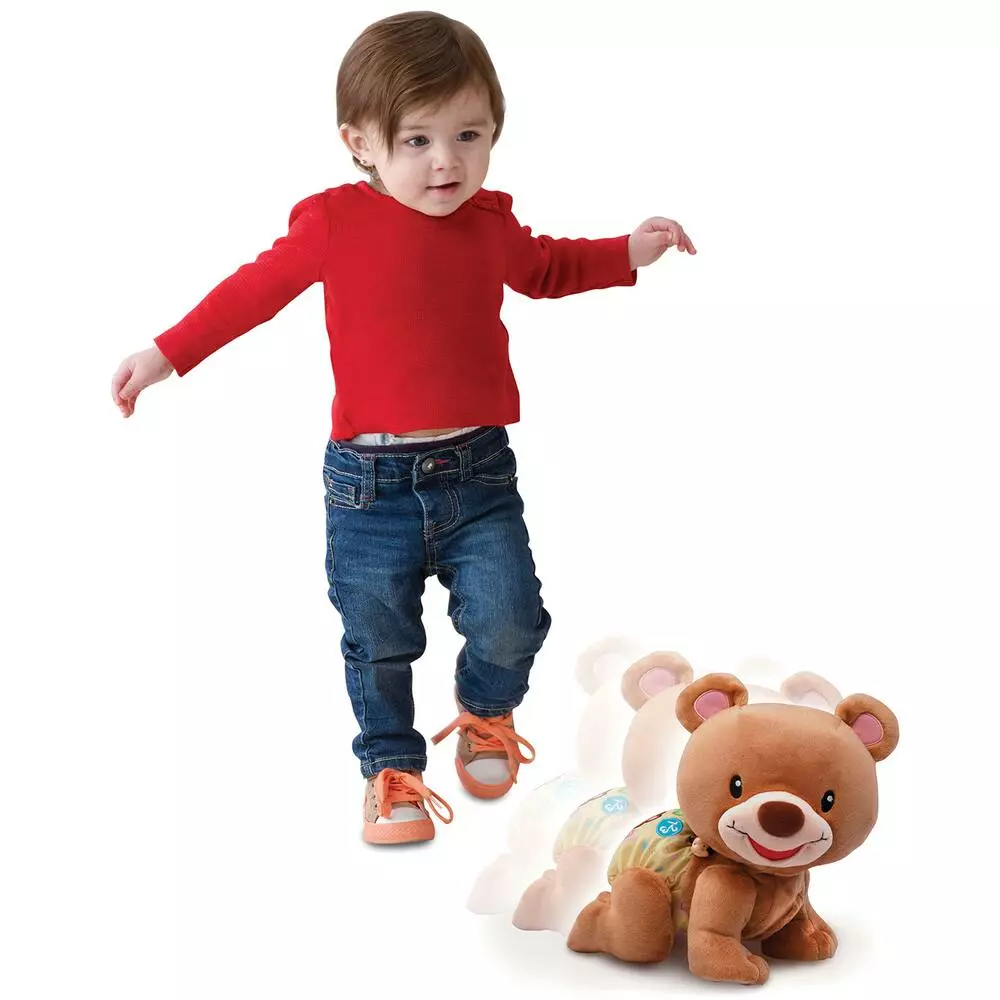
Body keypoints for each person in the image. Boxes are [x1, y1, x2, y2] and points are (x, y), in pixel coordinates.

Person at [110, 11, 696, 846]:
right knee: (378, 639)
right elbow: (250, 294)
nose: (446, 161)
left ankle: (486, 709)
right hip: (369, 488)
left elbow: (549, 267)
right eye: (417, 141)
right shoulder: (333, 224)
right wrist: (166, 353)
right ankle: (391, 768)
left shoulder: (489, 223)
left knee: (512, 617)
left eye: (468, 135)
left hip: (478, 472)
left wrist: (628, 251)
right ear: (360, 143)